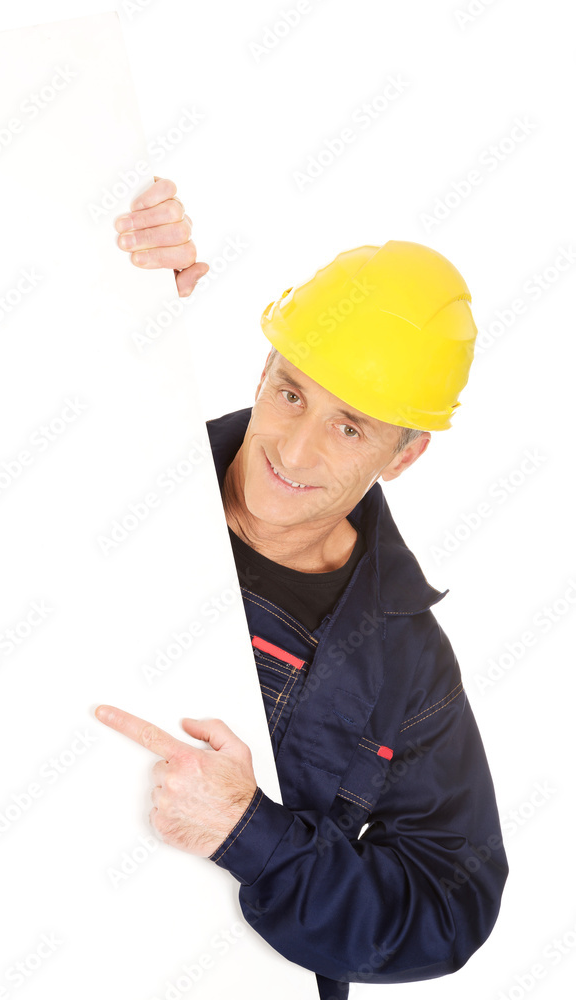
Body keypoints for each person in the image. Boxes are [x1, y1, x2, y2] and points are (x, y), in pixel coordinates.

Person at [95, 177, 508, 999]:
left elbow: (449, 908)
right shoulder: (123, 463)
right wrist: (111, 283)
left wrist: (253, 836)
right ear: (262, 372)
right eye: (290, 393)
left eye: (348, 427)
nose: (291, 450)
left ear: (404, 455)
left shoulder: (401, 664)